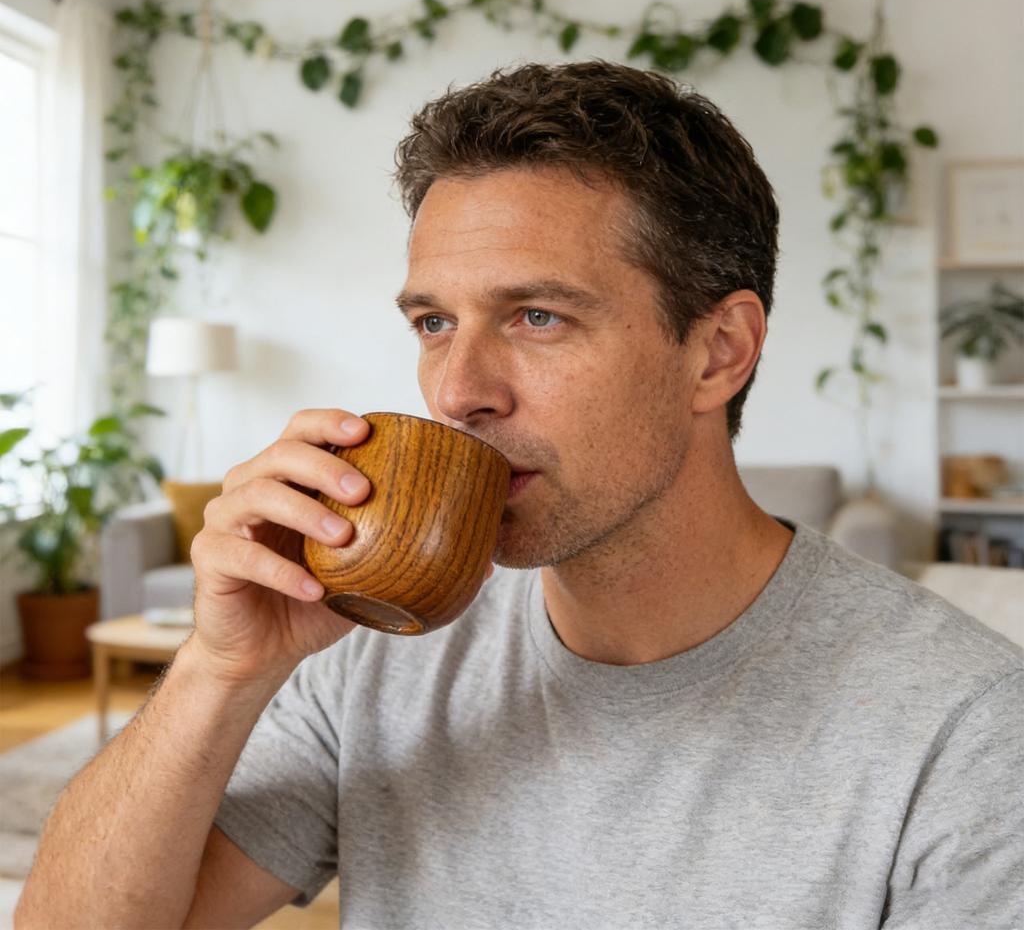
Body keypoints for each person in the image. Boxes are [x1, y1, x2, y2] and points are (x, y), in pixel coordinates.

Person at [18, 60, 1022, 930]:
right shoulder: (371, 653)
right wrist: (217, 670)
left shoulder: (964, 729)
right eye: (432, 322)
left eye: (537, 316)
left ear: (718, 352)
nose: (458, 391)